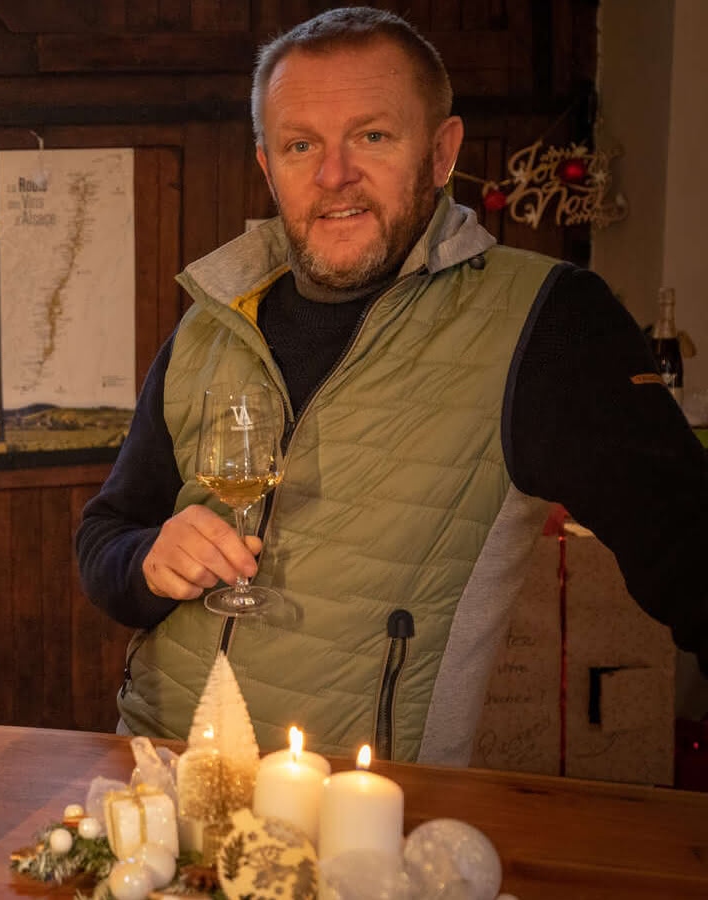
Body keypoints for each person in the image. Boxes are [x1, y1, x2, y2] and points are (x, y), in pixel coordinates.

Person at [76, 6, 708, 765]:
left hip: (360, 826)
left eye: (372, 136)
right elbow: (105, 538)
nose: (334, 174)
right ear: (267, 165)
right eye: (300, 144)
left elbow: (693, 560)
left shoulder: (547, 322)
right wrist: (148, 562)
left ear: (442, 153)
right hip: (159, 779)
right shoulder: (213, 321)